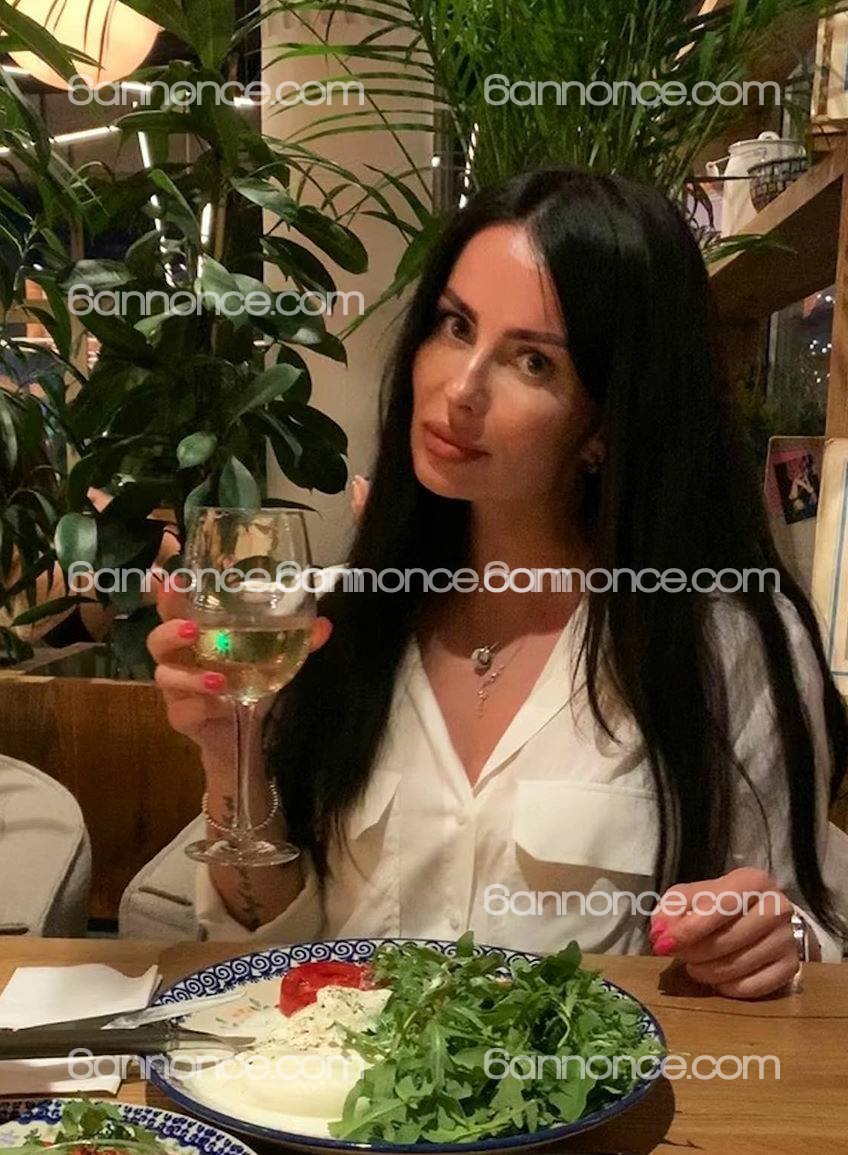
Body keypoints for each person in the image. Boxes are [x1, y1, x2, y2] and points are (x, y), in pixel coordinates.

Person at [148, 168, 848, 998]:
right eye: (455, 326)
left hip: (599, 1078)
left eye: (532, 361)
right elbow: (272, 944)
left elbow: (797, 938)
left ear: (606, 423)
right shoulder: (340, 622)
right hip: (343, 1077)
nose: (461, 388)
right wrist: (231, 757)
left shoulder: (723, 641)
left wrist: (770, 940)